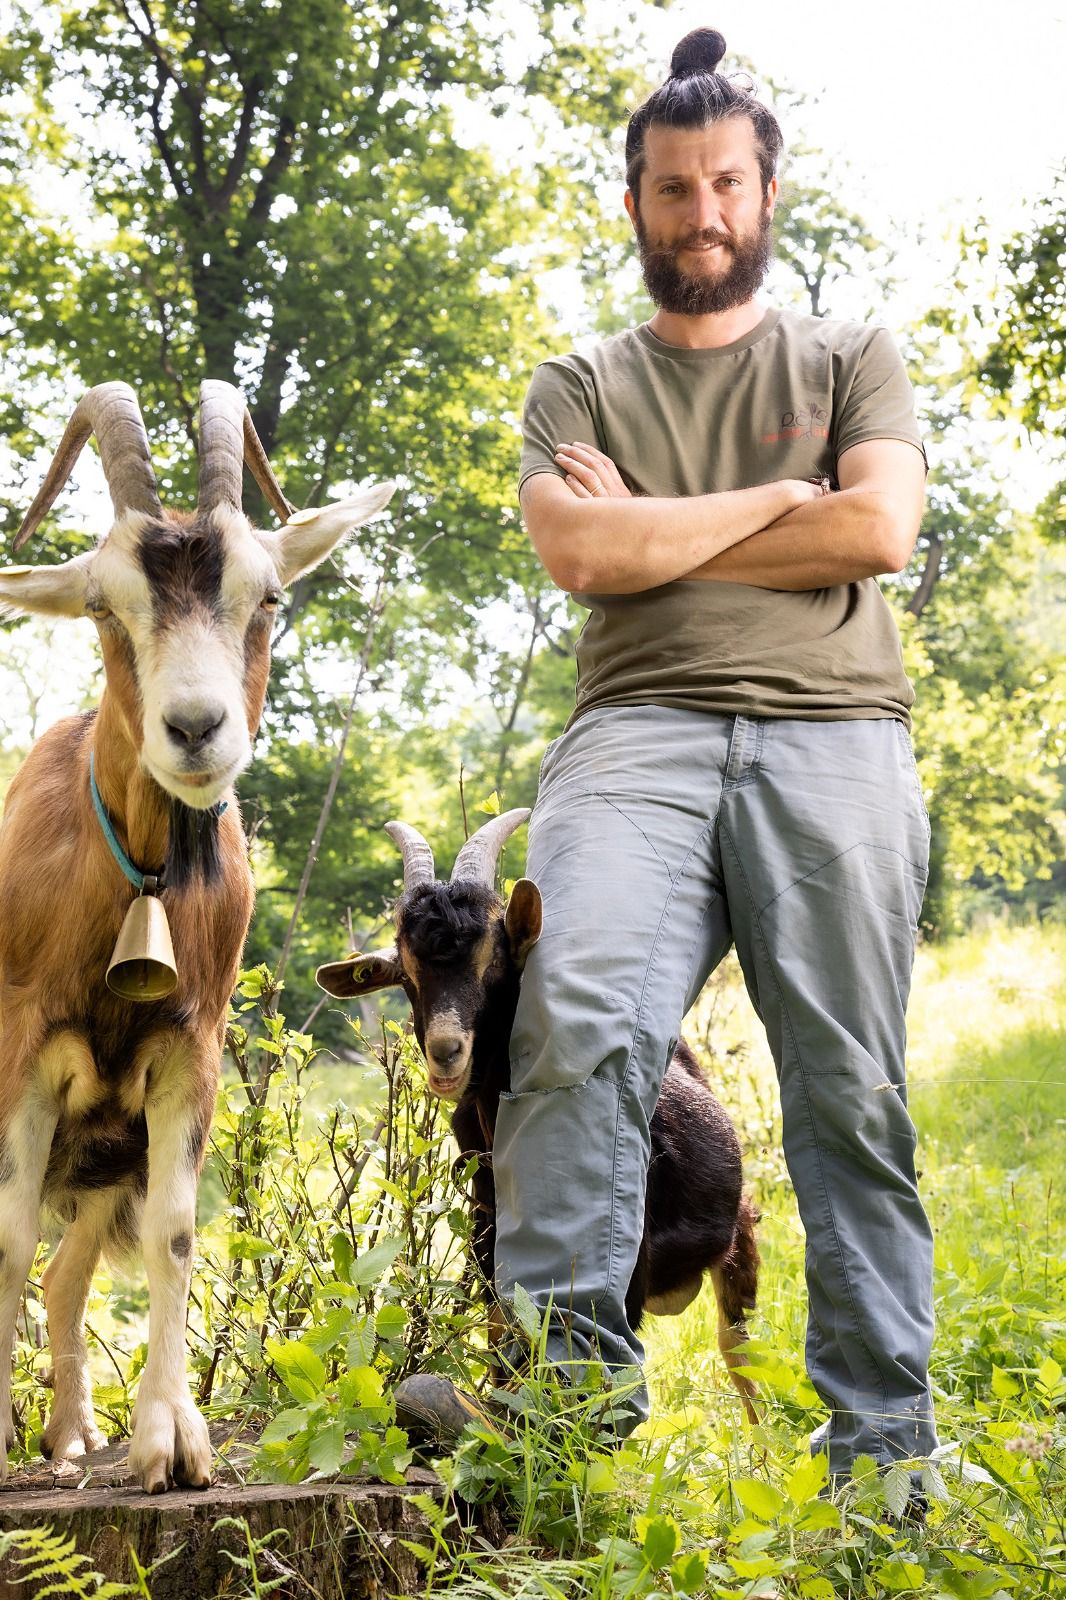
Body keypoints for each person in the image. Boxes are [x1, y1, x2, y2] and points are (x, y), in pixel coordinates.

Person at [396, 27, 937, 1487]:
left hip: (836, 737)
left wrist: (668, 522)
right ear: (631, 201)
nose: (701, 213)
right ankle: (569, 1429)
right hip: (631, 741)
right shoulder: (577, 383)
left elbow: (875, 531)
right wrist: (777, 499)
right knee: (571, 1034)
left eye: (725, 186)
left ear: (766, 194)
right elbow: (581, 552)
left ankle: (885, 1460)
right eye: (671, 187)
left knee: (851, 1091)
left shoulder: (849, 354)